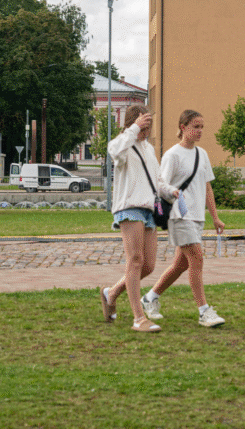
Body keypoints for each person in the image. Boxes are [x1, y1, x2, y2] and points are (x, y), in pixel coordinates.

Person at [141, 110, 226, 328]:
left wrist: (215, 217)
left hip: (197, 217)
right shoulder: (173, 155)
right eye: (196, 126)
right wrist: (173, 193)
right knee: (197, 258)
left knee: (180, 265)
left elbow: (207, 187)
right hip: (179, 216)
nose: (200, 131)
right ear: (183, 127)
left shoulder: (202, 154)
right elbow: (160, 184)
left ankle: (149, 298)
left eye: (202, 127)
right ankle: (204, 311)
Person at [98, 105, 178, 333]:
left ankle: (112, 292)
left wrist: (171, 191)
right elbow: (114, 151)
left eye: (148, 126)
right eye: (143, 125)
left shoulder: (148, 149)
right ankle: (138, 318)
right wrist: (133, 129)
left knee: (148, 265)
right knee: (135, 260)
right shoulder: (123, 144)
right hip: (129, 207)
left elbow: (157, 181)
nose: (146, 131)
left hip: (149, 210)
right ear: (133, 123)